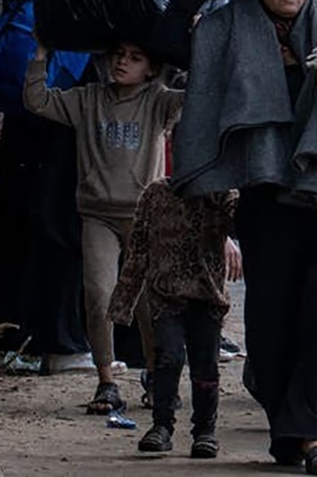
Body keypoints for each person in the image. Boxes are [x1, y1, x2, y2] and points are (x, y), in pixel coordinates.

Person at [161, 0, 317, 476]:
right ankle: (291, 430)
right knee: (271, 319)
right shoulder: (229, 30)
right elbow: (163, 46)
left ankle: (312, 433)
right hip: (268, 194)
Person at [0, 0, 126, 373]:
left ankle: (18, 333)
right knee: (63, 215)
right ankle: (60, 343)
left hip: (37, 102)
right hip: (61, 106)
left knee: (30, 210)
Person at [23, 39, 184, 414]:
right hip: (97, 214)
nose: (123, 62)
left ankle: (157, 377)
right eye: (118, 55)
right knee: (99, 294)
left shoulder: (159, 101)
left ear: (152, 68)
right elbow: (38, 101)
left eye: (135, 57)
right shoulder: (88, 99)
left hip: (145, 216)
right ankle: (106, 381)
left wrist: (193, 45)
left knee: (148, 303)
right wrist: (42, 56)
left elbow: (196, 98)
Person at [110, 181, 240, 456]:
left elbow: (242, 224)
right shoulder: (156, 193)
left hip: (207, 297)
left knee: (206, 365)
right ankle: (162, 425)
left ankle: (205, 430)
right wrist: (124, 300)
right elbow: (139, 247)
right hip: (165, 294)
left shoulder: (221, 194)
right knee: (167, 356)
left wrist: (219, 189)